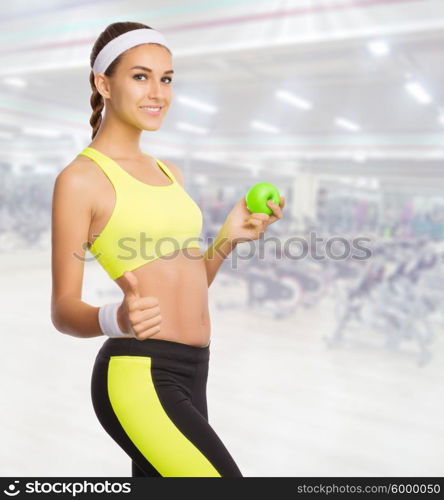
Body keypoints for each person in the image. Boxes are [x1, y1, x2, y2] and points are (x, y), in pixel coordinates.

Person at [51, 21, 285, 477]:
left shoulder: (169, 172)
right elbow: (63, 310)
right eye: (140, 76)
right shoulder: (80, 180)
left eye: (167, 78)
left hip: (195, 368)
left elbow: (190, 284)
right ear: (104, 83)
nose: (158, 91)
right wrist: (113, 318)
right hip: (140, 374)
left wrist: (226, 238)